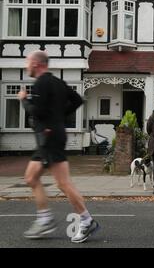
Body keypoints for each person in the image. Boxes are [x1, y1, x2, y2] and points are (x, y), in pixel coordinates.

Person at [18, 50, 99, 243]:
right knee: (31, 177)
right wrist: (60, 117)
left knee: (63, 183)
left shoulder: (40, 84)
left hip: (49, 138)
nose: (26, 66)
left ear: (37, 64)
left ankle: (86, 220)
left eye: (28, 62)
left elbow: (36, 112)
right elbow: (78, 100)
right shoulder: (57, 82)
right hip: (51, 136)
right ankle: (45, 218)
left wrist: (24, 99)